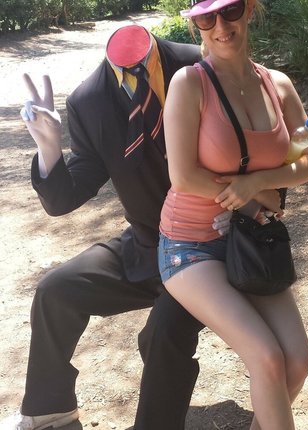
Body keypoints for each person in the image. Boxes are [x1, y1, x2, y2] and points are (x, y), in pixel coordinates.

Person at [0, 24, 226, 430]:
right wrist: (49, 148)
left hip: (207, 247)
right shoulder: (89, 100)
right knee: (56, 291)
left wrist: (243, 205)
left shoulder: (199, 65)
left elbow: (247, 143)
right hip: (147, 244)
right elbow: (66, 196)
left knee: (162, 333)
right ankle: (51, 409)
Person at [157, 0, 308, 429]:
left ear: (249, 10)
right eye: (206, 17)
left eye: (229, 10)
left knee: (297, 361)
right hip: (190, 243)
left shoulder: (278, 85)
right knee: (267, 356)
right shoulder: (189, 84)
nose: (220, 25)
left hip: (249, 237)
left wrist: (259, 183)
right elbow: (184, 176)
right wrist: (255, 197)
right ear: (196, 25)